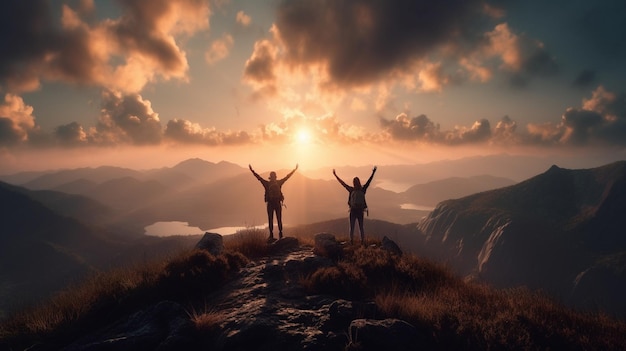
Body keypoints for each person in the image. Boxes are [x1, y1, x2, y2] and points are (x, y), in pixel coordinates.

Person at [249, 164, 298, 240]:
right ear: (275, 177)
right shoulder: (279, 183)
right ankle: (280, 233)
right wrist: (295, 170)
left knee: (270, 218)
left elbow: (259, 178)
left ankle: (271, 235)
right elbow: (287, 177)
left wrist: (252, 170)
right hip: (278, 203)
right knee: (279, 218)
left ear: (270, 177)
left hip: (270, 204)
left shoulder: (266, 184)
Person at [333, 166, 377, 245]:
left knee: (352, 227)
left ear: (353, 183)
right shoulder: (363, 189)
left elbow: (342, 183)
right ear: (359, 182)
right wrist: (373, 172)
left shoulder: (351, 190)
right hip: (360, 211)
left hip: (353, 210)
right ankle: (362, 241)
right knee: (361, 227)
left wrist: (335, 175)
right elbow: (369, 181)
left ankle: (351, 241)